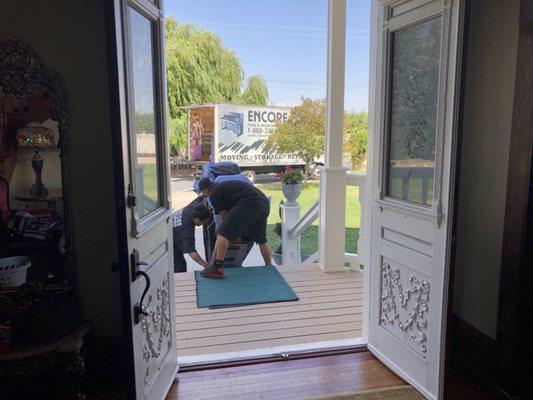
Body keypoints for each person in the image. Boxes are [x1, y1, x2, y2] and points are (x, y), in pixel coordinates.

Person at [198, 177, 272, 279]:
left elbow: (224, 217)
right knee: (261, 239)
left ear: (206, 190)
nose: (204, 195)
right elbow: (235, 218)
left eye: (203, 192)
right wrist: (236, 234)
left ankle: (217, 269)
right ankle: (269, 267)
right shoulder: (222, 187)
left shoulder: (213, 193)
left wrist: (230, 235)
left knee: (222, 233)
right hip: (263, 203)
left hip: (249, 202)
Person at [172, 197, 211, 273]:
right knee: (179, 266)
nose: (204, 224)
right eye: (203, 222)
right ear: (197, 219)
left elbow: (199, 197)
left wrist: (204, 194)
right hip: (165, 238)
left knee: (180, 263)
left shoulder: (191, 208)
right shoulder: (187, 231)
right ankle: (179, 283)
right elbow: (193, 254)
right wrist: (207, 266)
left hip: (171, 232)